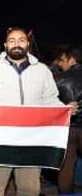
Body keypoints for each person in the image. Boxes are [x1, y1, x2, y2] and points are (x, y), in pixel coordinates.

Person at [0, 27, 77, 196]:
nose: (16, 44)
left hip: (31, 142)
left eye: (21, 40)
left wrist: (65, 109)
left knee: (30, 190)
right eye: (12, 40)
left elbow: (50, 99)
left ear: (27, 44)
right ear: (5, 45)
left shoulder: (42, 71)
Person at [56, 45, 82, 193]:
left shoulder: (59, 79)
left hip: (68, 128)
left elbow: (52, 104)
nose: (60, 63)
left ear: (72, 60)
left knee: (66, 166)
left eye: (62, 60)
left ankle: (65, 194)